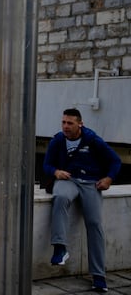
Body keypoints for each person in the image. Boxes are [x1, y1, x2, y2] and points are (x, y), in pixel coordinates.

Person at [43, 108, 121, 293]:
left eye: (70, 123)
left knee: (94, 224)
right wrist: (56, 172)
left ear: (80, 124)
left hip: (91, 184)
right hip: (67, 179)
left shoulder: (93, 140)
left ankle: (99, 276)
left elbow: (115, 161)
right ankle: (60, 248)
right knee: (60, 197)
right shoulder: (57, 141)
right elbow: (47, 164)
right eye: (63, 122)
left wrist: (109, 179)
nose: (65, 126)